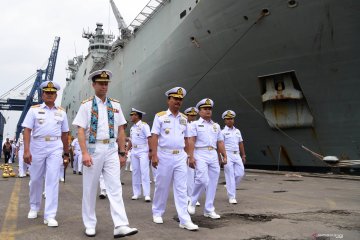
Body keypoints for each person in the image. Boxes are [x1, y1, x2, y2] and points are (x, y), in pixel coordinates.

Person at [72, 69, 138, 238]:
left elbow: (121, 129)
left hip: (110, 149)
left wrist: (122, 152)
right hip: (93, 149)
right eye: (100, 83)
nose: (104, 86)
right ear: (93, 85)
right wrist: (84, 153)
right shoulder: (86, 105)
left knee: (115, 187)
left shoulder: (115, 105)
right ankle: (89, 224)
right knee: (90, 188)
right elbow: (80, 130)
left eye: (106, 83)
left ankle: (121, 225)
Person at [22, 80, 70, 227]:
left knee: (52, 179)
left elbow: (65, 133)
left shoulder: (61, 112)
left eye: (52, 93)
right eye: (47, 93)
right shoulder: (33, 110)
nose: (49, 95)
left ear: (56, 95)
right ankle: (34, 207)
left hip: (55, 146)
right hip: (37, 144)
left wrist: (66, 153)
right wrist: (26, 150)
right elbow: (27, 130)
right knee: (35, 178)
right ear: (42, 95)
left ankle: (50, 215)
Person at [150, 87, 198, 231]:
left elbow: (188, 139)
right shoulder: (160, 116)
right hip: (164, 155)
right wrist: (154, 155)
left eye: (180, 99)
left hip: (180, 156)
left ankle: (184, 219)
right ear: (168, 100)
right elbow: (154, 136)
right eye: (175, 99)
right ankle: (157, 212)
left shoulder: (184, 119)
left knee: (181, 189)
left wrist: (190, 156)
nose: (178, 101)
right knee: (161, 185)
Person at [187, 98, 227, 219]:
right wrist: (191, 156)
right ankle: (192, 201)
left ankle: (209, 209)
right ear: (199, 111)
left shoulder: (216, 126)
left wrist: (224, 155)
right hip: (200, 152)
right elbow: (191, 140)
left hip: (213, 153)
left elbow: (220, 142)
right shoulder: (194, 124)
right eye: (205, 109)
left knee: (213, 183)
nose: (208, 111)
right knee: (202, 179)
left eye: (209, 109)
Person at [221, 110, 246, 204]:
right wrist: (222, 157)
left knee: (240, 173)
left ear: (233, 120)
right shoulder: (222, 132)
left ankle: (229, 186)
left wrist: (243, 155)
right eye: (227, 119)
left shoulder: (237, 131)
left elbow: (241, 143)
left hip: (237, 154)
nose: (230, 120)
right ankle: (232, 197)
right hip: (227, 154)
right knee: (230, 175)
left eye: (231, 118)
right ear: (225, 121)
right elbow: (220, 145)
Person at [128, 108, 151, 202]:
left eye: (132, 115)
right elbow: (131, 140)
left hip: (143, 151)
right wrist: (126, 150)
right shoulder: (132, 128)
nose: (131, 116)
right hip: (134, 151)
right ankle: (136, 193)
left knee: (144, 172)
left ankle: (147, 194)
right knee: (135, 172)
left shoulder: (144, 126)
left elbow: (149, 138)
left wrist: (151, 151)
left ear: (137, 116)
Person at [183, 107, 200, 207]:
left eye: (194, 115)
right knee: (188, 175)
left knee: (196, 175)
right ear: (187, 115)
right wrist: (188, 154)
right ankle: (189, 196)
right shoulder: (184, 124)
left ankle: (192, 195)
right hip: (186, 152)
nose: (193, 117)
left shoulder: (198, 125)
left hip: (197, 151)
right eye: (191, 115)